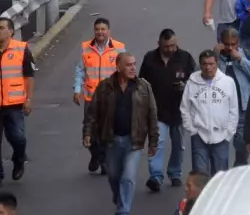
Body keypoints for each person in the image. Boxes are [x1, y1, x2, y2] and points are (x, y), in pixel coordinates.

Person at [83, 52, 158, 215]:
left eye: (134, 64)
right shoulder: (104, 87)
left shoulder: (143, 86)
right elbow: (93, 113)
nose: (133, 68)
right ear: (118, 67)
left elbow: (152, 115)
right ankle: (119, 198)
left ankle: (123, 210)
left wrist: (153, 141)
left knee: (128, 177)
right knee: (113, 176)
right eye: (128, 65)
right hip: (111, 140)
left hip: (134, 142)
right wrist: (88, 133)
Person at [139, 28, 194, 191]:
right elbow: (141, 83)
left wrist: (185, 86)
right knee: (158, 143)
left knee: (179, 145)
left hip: (179, 110)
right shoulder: (150, 58)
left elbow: (195, 80)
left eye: (173, 45)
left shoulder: (185, 57)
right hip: (157, 110)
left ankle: (175, 173)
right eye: (167, 46)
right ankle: (155, 177)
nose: (170, 49)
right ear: (159, 44)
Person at [74, 18, 125, 173]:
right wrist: (77, 90)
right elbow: (80, 71)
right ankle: (96, 154)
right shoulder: (85, 48)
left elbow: (124, 73)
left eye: (103, 29)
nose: (100, 32)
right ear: (94, 31)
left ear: (108, 31)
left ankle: (104, 161)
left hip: (111, 98)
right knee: (89, 132)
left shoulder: (119, 49)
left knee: (108, 131)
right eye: (97, 29)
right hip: (91, 97)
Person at [179, 49, 238, 174]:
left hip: (222, 137)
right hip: (199, 136)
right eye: (205, 64)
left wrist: (229, 133)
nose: (208, 67)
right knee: (200, 177)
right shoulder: (192, 82)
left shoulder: (228, 82)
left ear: (217, 64)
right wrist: (192, 130)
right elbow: (185, 108)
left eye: (211, 64)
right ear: (200, 65)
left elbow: (233, 110)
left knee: (220, 177)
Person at [216, 28, 250, 167]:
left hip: (242, 109)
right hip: (221, 111)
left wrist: (241, 60)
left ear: (238, 43)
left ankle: (239, 168)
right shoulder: (215, 58)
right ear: (221, 43)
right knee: (220, 149)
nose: (230, 48)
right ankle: (221, 176)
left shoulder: (246, 55)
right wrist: (214, 55)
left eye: (233, 44)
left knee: (242, 145)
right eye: (227, 44)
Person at [0, 19, 32, 186]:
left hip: (14, 104)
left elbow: (28, 76)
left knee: (18, 138)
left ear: (11, 31)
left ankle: (19, 159)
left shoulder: (21, 48)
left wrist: (28, 99)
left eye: (1, 28)